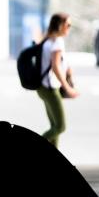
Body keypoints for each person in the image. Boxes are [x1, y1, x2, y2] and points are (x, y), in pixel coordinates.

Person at [37, 13, 78, 148]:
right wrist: (67, 87)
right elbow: (55, 66)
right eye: (68, 25)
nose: (69, 28)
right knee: (60, 126)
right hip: (50, 88)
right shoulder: (57, 42)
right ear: (60, 26)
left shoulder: (47, 39)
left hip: (42, 87)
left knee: (54, 126)